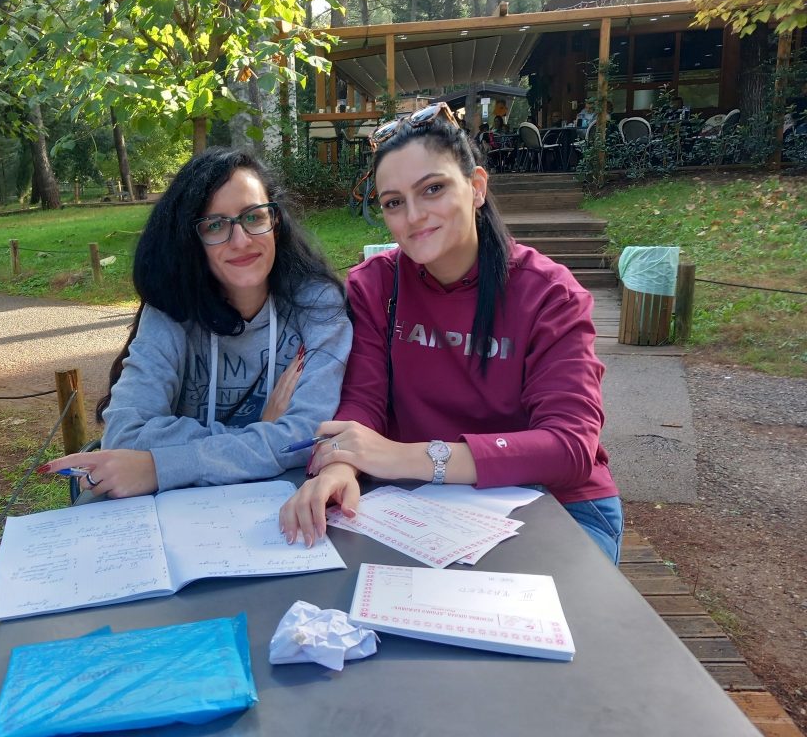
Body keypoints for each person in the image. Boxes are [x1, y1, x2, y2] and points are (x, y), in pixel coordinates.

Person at [278, 103, 624, 563]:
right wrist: (339, 465)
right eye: (394, 202)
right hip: (418, 504)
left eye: (433, 189)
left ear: (477, 187)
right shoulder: (375, 285)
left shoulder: (549, 293)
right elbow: (363, 400)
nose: (414, 216)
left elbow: (569, 447)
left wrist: (403, 457)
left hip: (554, 503)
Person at [40, 147, 353, 498]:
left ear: (275, 222)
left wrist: (158, 466)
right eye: (215, 225)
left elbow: (310, 437)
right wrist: (265, 430)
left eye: (253, 217)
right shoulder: (171, 309)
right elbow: (125, 436)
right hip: (178, 511)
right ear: (192, 239)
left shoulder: (318, 305)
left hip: (284, 504)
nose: (241, 241)